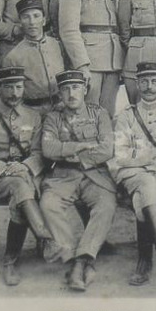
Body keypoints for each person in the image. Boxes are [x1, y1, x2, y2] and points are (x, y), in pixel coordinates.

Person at [0, 65, 63, 286]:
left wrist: (27, 167)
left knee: (24, 190)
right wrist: (10, 170)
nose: (14, 93)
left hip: (27, 175)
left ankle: (10, 260)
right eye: (9, 87)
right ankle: (45, 239)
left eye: (19, 87)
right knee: (21, 185)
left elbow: (39, 152)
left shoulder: (33, 116)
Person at [39, 70, 117, 292]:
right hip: (64, 176)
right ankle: (73, 257)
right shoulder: (54, 117)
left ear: (84, 90)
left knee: (106, 205)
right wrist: (76, 147)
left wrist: (73, 156)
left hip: (95, 175)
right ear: (60, 93)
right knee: (48, 204)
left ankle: (83, 259)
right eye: (65, 89)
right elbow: (48, 148)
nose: (71, 93)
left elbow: (107, 148)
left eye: (75, 88)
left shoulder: (99, 114)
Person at [111, 61, 156, 286]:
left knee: (142, 198)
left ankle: (145, 261)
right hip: (134, 174)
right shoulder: (126, 116)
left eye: (154, 81)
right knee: (146, 184)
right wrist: (151, 157)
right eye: (144, 81)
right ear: (136, 83)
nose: (149, 86)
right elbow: (119, 154)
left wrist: (145, 161)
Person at [58, 0, 124, 119]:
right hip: (90, 61)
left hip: (112, 62)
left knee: (107, 115)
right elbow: (69, 29)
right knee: (87, 115)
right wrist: (82, 65)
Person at [3, 0, 67, 113]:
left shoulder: (57, 45)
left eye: (36, 16)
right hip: (32, 112)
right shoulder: (13, 57)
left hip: (60, 109)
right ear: (20, 22)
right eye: (26, 17)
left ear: (43, 20)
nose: (32, 22)